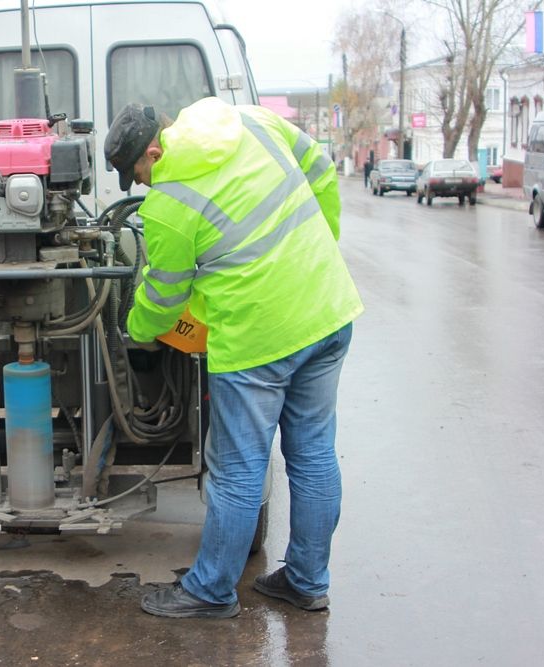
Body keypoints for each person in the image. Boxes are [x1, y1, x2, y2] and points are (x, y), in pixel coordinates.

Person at [104, 98, 363, 619]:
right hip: (327, 307)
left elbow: (163, 298)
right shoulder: (245, 118)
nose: (146, 185)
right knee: (312, 455)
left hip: (258, 340)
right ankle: (308, 581)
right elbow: (320, 167)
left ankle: (211, 590)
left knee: (239, 469)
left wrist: (132, 330)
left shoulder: (171, 204)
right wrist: (319, 246)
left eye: (140, 174)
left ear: (154, 151)